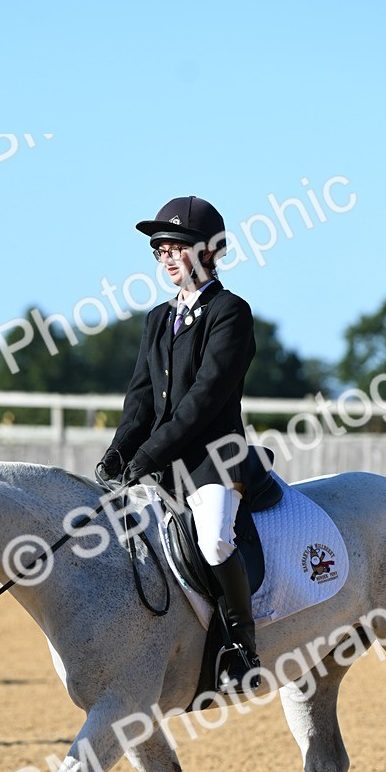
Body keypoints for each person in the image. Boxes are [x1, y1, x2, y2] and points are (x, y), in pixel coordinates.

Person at [96, 195, 261, 691]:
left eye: (177, 247)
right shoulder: (157, 319)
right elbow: (141, 400)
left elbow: (204, 400)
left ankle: (241, 648)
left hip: (215, 460)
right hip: (164, 464)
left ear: (209, 251)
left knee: (213, 539)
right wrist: (118, 453)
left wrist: (148, 455)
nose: (167, 257)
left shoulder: (230, 313)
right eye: (160, 249)